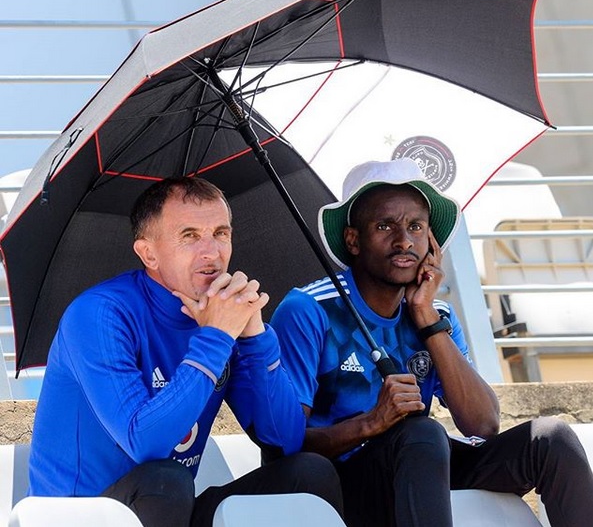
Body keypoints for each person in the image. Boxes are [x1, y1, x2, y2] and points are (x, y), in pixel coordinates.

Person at [270, 158, 593, 527]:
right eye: (384, 225)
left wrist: (426, 317)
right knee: (421, 431)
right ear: (353, 240)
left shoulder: (435, 313)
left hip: (417, 470)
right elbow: (284, 447)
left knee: (549, 439)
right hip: (341, 484)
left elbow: (483, 424)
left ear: (432, 243)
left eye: (416, 227)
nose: (404, 240)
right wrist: (371, 423)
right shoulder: (309, 310)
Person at [28, 176, 343, 527]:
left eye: (221, 233)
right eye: (190, 236)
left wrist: (254, 332)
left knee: (307, 474)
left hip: (171, 506)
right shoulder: (98, 313)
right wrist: (216, 336)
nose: (212, 252)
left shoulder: (222, 317)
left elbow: (284, 441)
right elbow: (146, 444)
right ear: (148, 253)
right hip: (77, 516)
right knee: (165, 479)